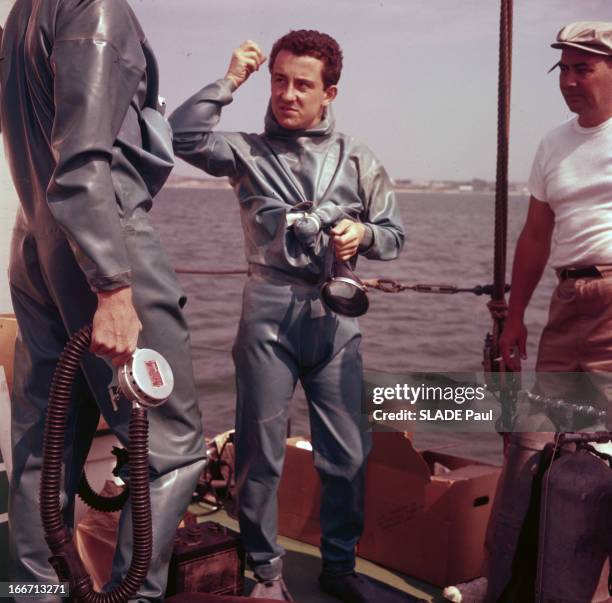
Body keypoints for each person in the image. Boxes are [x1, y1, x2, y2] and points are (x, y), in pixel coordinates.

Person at [169, 30, 404, 602]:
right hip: (268, 314)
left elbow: (394, 237)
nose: (287, 94)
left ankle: (340, 565)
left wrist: (363, 233)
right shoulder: (244, 151)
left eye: (303, 84)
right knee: (258, 451)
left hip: (335, 318)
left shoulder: (358, 158)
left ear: (330, 92)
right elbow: (183, 134)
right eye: (279, 80)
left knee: (348, 453)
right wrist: (231, 78)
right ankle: (267, 575)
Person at [0, 1, 206, 601]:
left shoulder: (23, 15)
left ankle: (34, 594)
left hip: (34, 241)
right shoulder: (95, 7)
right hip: (101, 238)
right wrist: (113, 286)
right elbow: (85, 157)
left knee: (45, 442)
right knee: (172, 449)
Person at [444, 20, 612, 603]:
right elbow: (536, 235)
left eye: (582, 68)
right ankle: (509, 581)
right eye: (562, 69)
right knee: (532, 443)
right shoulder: (554, 144)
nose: (568, 80)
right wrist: (515, 316)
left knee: (601, 454)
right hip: (568, 304)